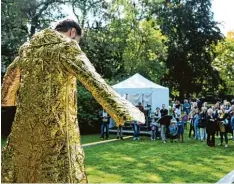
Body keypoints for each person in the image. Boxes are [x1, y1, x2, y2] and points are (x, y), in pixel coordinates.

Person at [1, 19, 145, 183]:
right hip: (56, 129)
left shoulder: (28, 50)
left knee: (25, 172)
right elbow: (93, 79)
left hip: (25, 128)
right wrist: (122, 109)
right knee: (58, 173)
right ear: (72, 33)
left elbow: (9, 82)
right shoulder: (66, 47)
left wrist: (7, 100)